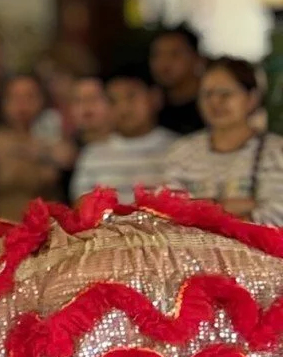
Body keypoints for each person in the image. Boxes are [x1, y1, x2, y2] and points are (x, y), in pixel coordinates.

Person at [160, 57, 283, 225]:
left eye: (225, 94)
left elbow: (275, 216)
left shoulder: (277, 152)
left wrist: (202, 208)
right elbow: (168, 211)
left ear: (252, 98)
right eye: (207, 94)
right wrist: (238, 205)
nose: (215, 102)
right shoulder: (181, 152)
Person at [0, 72, 66, 222]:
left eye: (30, 97)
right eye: (15, 97)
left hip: (45, 233)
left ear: (42, 101)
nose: (22, 104)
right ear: (3, 102)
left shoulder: (53, 144)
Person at [69, 71, 177, 204]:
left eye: (131, 97)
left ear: (155, 97)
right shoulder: (92, 155)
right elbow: (81, 205)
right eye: (114, 101)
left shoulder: (179, 148)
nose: (123, 108)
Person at [149, 24, 206, 138]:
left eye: (174, 54)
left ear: (197, 59)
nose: (164, 63)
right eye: (157, 55)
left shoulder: (210, 104)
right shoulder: (151, 105)